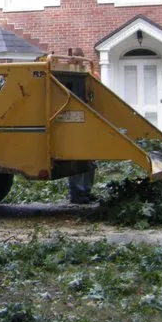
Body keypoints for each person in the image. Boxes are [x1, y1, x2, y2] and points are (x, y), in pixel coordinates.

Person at [66, 47, 97, 204]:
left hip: (88, 123)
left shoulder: (91, 75)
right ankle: (77, 193)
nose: (72, 62)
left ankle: (85, 190)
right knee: (76, 159)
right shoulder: (66, 76)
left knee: (89, 160)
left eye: (75, 60)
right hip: (74, 125)